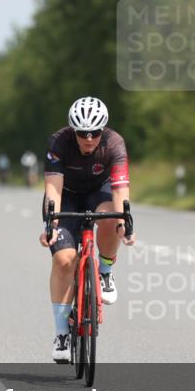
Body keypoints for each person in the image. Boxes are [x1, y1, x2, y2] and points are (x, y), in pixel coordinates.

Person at [38, 96, 134, 362]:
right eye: (82, 133)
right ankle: (61, 334)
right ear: (73, 130)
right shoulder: (59, 143)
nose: (89, 138)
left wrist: (124, 224)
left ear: (103, 130)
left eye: (94, 133)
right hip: (66, 195)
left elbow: (120, 191)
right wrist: (52, 224)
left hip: (98, 193)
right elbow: (53, 190)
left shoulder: (114, 143)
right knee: (63, 259)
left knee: (111, 218)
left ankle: (105, 270)